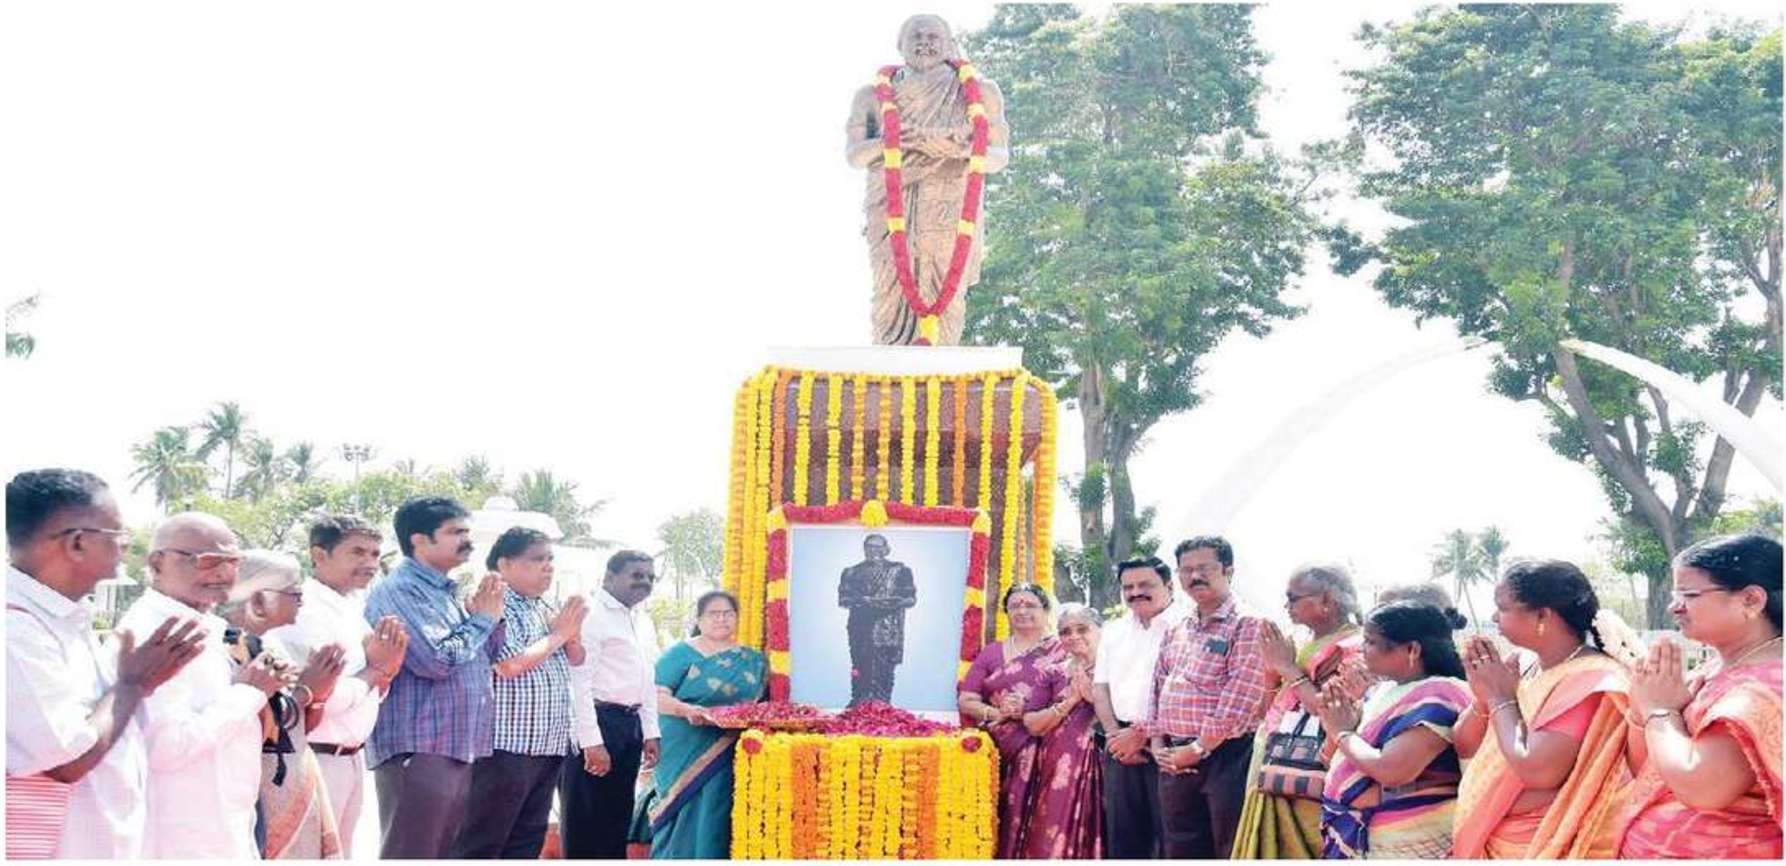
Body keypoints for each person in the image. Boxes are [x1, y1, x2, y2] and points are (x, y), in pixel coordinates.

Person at [5, 469, 204, 859]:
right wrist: (132, 685)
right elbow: (66, 759)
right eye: (118, 535)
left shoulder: (62, 617)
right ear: (77, 543)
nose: (126, 547)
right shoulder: (15, 628)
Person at [120, 511, 292, 858]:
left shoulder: (206, 626)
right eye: (208, 560)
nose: (223, 572)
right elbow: (167, 747)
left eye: (233, 562)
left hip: (225, 827)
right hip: (179, 838)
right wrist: (250, 692)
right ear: (157, 563)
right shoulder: (153, 633)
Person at [846, 14, 1009, 345]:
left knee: (946, 285)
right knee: (888, 285)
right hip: (890, 204)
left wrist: (960, 148)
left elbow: (999, 157)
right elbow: (854, 156)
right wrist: (890, 142)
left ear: (950, 44)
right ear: (900, 45)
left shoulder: (980, 92)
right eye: (916, 36)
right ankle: (891, 355)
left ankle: (940, 360)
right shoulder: (871, 96)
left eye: (933, 36)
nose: (924, 42)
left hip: (950, 204)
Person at [1450, 559, 1632, 858]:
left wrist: (1500, 698)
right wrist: (1484, 696)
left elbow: (1539, 770)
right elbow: (1464, 744)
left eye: (1502, 608)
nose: (1494, 617)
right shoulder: (1521, 666)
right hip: (1494, 834)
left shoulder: (1591, 678)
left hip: (1543, 842)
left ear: (1542, 615)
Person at [1617, 533, 1782, 859]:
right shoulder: (1711, 670)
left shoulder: (1769, 685)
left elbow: (1702, 787)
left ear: (1751, 600)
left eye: (1689, 594)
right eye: (1676, 594)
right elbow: (1650, 771)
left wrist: (1660, 711)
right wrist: (1643, 707)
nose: (1674, 607)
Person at [362, 496, 506, 859]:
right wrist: (483, 620)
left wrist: (489, 618)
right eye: (456, 532)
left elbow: (483, 658)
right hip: (421, 746)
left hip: (455, 743)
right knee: (412, 853)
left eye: (467, 532)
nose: (467, 540)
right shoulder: (401, 590)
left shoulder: (446, 592)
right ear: (419, 540)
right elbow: (435, 661)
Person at [261, 514, 407, 856]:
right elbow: (319, 695)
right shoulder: (304, 611)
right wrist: (376, 670)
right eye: (357, 552)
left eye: (375, 554)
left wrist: (383, 673)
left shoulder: (352, 607)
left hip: (351, 757)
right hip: (315, 754)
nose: (369, 563)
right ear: (319, 554)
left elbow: (372, 687)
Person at [453, 528, 587, 859]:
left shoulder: (544, 605)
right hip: (506, 746)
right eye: (537, 559)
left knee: (526, 842)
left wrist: (570, 635)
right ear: (505, 564)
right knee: (483, 842)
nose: (548, 567)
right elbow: (508, 664)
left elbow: (576, 658)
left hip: (548, 744)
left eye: (550, 559)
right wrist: (559, 634)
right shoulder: (491, 604)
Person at [1313, 601, 1472, 859]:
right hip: (1368, 836)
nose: (1362, 649)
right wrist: (1339, 723)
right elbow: (1334, 759)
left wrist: (1342, 732)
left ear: (1412, 650)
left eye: (1370, 642)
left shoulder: (1440, 693)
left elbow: (1392, 771)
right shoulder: (1383, 691)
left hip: (1411, 840)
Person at [1149, 535, 1273, 859]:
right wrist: (1158, 742)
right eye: (1186, 570)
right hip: (1174, 755)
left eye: (1204, 568)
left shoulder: (1248, 623)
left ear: (1228, 571)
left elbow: (1243, 692)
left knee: (1228, 846)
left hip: (1226, 755)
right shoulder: (1178, 626)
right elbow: (1159, 684)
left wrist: (1198, 748)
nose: (1195, 576)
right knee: (1181, 846)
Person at [220, 551, 348, 859]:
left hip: (291, 782)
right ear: (259, 600)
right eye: (295, 593)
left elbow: (297, 724)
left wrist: (316, 693)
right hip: (256, 792)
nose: (301, 601)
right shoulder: (226, 649)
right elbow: (248, 726)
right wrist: (305, 692)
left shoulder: (270, 645)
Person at [1234, 564, 1367, 858]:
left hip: (1309, 767)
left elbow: (1330, 712)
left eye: (1293, 598)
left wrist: (1287, 667)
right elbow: (1266, 711)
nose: (1287, 606)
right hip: (1274, 752)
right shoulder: (1303, 644)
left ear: (1327, 600)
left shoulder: (1353, 647)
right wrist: (1272, 674)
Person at [649, 590, 767, 859]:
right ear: (699, 619)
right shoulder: (679, 654)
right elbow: (654, 696)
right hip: (684, 743)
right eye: (714, 614)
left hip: (729, 747)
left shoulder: (752, 659)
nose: (721, 619)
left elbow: (760, 703)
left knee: (717, 811)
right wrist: (687, 710)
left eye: (728, 614)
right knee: (682, 810)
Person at [563, 549, 662, 859]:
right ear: (609, 577)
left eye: (650, 577)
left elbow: (647, 679)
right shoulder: (591, 615)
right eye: (637, 575)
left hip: (629, 726)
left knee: (617, 817)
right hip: (596, 723)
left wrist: (650, 732)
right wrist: (591, 742)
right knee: (586, 820)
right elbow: (578, 681)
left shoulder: (642, 619)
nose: (645, 582)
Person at [959, 583, 1065, 858]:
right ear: (1006, 612)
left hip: (1046, 744)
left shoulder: (1061, 649)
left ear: (1045, 611)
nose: (1022, 610)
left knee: (1043, 817)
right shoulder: (992, 652)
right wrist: (999, 714)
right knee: (999, 811)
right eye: (1015, 605)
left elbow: (1072, 697)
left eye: (1030, 605)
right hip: (1000, 747)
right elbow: (967, 699)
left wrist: (1030, 713)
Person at [1092, 555, 1187, 858]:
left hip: (1171, 744)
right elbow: (1100, 687)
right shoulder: (1114, 630)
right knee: (1125, 838)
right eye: (1128, 587)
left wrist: (1143, 734)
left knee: (1173, 837)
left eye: (1145, 584)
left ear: (1169, 585)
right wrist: (1114, 737)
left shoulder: (1188, 626)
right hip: (1120, 745)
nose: (1135, 593)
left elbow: (1186, 691)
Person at [1023, 602, 1105, 859]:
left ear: (1099, 630)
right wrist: (1069, 702)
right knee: (1051, 830)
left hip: (1108, 764)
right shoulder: (1052, 673)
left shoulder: (1117, 669)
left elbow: (1132, 717)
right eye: (1065, 631)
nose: (1073, 636)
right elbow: (1032, 723)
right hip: (1059, 766)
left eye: (1082, 629)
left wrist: (1092, 698)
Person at [838, 533, 918, 706]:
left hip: (888, 627)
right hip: (860, 627)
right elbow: (843, 600)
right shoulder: (851, 572)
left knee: (885, 666)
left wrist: (890, 602)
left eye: (878, 547)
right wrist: (862, 601)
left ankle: (882, 703)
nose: (873, 551)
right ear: (864, 549)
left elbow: (910, 599)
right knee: (859, 664)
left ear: (886, 549)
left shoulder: (900, 570)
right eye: (869, 547)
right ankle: (859, 701)